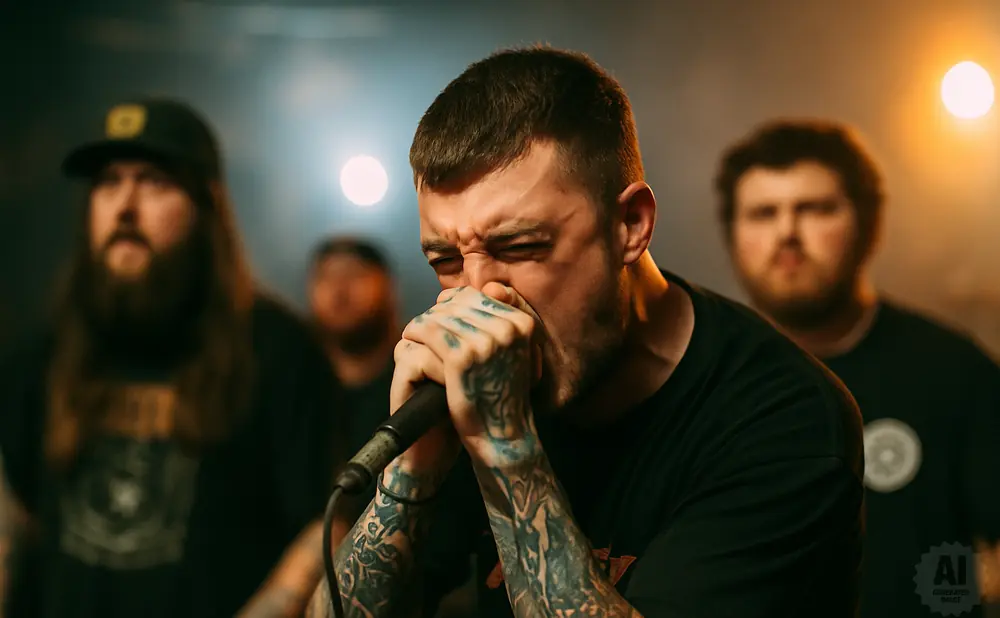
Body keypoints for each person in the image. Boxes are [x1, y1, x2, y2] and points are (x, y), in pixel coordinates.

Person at [305, 46, 865, 618]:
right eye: (445, 260)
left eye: (521, 247)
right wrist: (410, 475)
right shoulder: (468, 387)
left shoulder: (783, 418)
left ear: (630, 226)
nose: (480, 295)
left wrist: (505, 446)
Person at [0, 98, 342, 618]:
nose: (125, 206)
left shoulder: (275, 350)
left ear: (208, 207)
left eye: (154, 181)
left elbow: (330, 519)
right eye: (108, 182)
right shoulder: (47, 350)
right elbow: (13, 512)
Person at [715, 119, 1000, 617]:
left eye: (815, 209)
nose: (787, 233)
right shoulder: (701, 380)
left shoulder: (953, 371)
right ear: (733, 235)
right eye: (763, 213)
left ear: (869, 225)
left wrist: (937, 598)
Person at [307, 237, 397, 539]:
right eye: (326, 277)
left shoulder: (412, 387)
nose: (339, 291)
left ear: (387, 285)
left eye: (355, 275)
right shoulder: (296, 391)